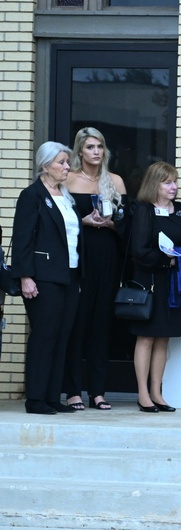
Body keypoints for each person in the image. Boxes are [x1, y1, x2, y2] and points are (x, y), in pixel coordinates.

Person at [12, 141, 83, 415]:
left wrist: (78, 277)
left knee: (62, 336)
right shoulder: (32, 195)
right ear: (45, 166)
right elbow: (22, 239)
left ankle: (53, 397)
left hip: (69, 275)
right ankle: (36, 399)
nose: (67, 167)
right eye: (62, 162)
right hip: (44, 277)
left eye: (67, 162)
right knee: (45, 336)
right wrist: (25, 276)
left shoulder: (65, 196)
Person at [63, 127, 130, 411]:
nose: (96, 152)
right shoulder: (67, 179)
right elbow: (61, 220)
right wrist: (84, 221)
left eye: (100, 147)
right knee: (77, 323)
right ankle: (73, 390)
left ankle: (99, 391)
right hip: (79, 256)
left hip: (107, 257)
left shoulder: (114, 181)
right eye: (90, 147)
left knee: (102, 325)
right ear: (79, 150)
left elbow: (129, 223)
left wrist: (111, 223)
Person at [130, 161, 181, 413]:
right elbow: (139, 249)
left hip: (174, 282)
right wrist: (164, 258)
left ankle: (157, 392)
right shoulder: (143, 210)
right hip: (150, 281)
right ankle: (142, 394)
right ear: (154, 184)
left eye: (175, 182)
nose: (173, 187)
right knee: (146, 336)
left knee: (163, 338)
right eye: (167, 182)